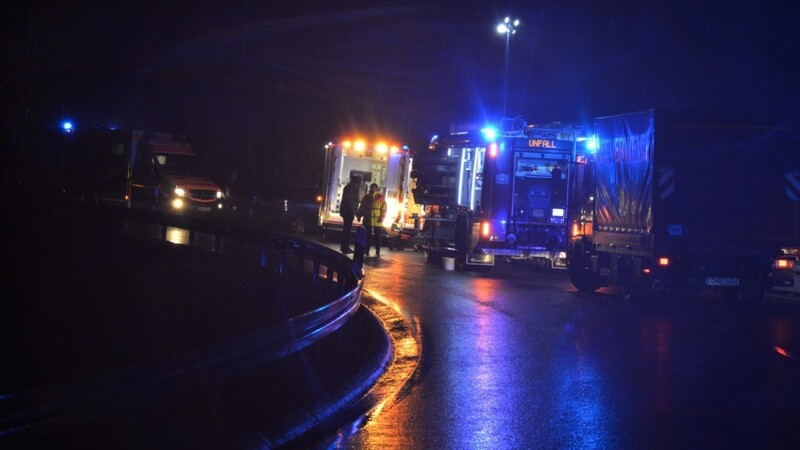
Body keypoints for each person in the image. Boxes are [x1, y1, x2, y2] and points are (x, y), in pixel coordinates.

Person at [358, 183, 386, 257]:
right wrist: (359, 215)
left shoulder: (380, 197)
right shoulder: (367, 197)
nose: (373, 188)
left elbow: (384, 209)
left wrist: (381, 217)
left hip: (377, 221)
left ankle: (377, 251)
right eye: (372, 187)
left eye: (374, 187)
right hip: (368, 219)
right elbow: (362, 207)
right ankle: (366, 251)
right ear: (370, 188)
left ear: (376, 188)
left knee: (377, 237)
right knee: (367, 236)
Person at [339, 174, 361, 253]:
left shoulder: (350, 188)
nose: (359, 184)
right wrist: (353, 211)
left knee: (347, 230)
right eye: (358, 182)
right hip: (348, 211)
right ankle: (345, 248)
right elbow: (349, 200)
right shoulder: (350, 188)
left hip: (349, 211)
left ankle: (345, 247)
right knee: (347, 231)